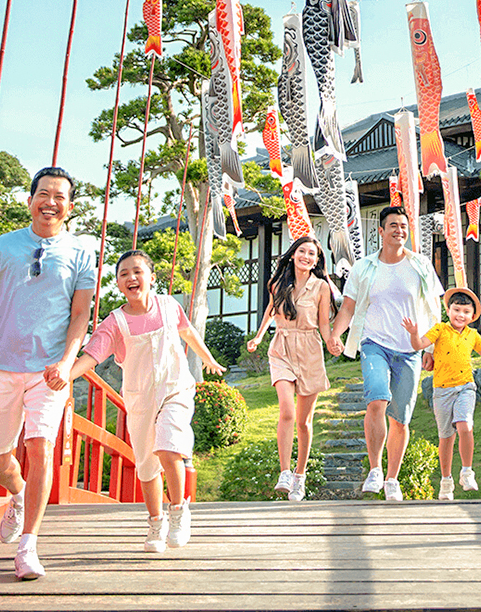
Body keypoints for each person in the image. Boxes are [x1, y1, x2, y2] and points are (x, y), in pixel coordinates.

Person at [0, 165, 96, 580]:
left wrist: (67, 364)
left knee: (39, 447)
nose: (51, 202)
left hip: (49, 370)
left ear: (69, 207)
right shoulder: (3, 246)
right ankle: (15, 496)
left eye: (60, 197)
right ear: (30, 199)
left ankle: (28, 547)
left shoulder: (82, 253)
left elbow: (80, 316)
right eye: (44, 194)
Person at [58, 249, 224, 552]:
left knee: (169, 446)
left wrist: (208, 359)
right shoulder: (115, 322)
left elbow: (188, 333)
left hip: (176, 390)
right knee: (147, 466)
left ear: (151, 277)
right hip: (140, 400)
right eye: (124, 274)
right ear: (119, 285)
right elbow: (92, 355)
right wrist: (66, 376)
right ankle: (155, 522)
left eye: (137, 271)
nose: (131, 278)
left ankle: (178, 510)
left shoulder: (169, 306)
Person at [328, 204, 445, 501]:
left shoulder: (420, 265)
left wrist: (430, 347)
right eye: (393, 225)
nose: (399, 230)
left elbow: (434, 310)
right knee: (377, 398)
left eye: (403, 226)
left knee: (401, 419)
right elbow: (349, 308)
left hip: (409, 349)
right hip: (374, 343)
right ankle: (375, 469)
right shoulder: (364, 267)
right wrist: (333, 334)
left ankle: (392, 478)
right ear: (380, 231)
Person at [402, 287, 481, 500]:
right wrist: (414, 333)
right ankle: (446, 482)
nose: (460, 315)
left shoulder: (473, 334)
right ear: (449, 310)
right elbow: (418, 345)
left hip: (465, 387)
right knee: (446, 437)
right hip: (442, 391)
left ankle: (467, 471)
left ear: (472, 316)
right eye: (456, 310)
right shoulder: (440, 329)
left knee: (465, 425)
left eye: (465, 312)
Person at [245, 236, 334, 502]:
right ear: (293, 254)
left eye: (312, 254)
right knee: (286, 410)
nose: (307, 256)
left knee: (304, 422)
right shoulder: (278, 284)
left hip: (309, 350)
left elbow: (324, 324)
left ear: (317, 261)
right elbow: (270, 311)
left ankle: (299, 475)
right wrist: (259, 337)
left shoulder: (321, 287)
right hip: (281, 347)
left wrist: (332, 342)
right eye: (302, 251)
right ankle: (284, 472)